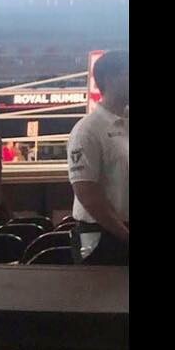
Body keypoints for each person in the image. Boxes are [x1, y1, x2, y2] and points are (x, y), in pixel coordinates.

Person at [67, 50, 128, 265]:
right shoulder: (88, 130)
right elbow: (87, 192)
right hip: (103, 239)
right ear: (110, 79)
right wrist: (124, 235)